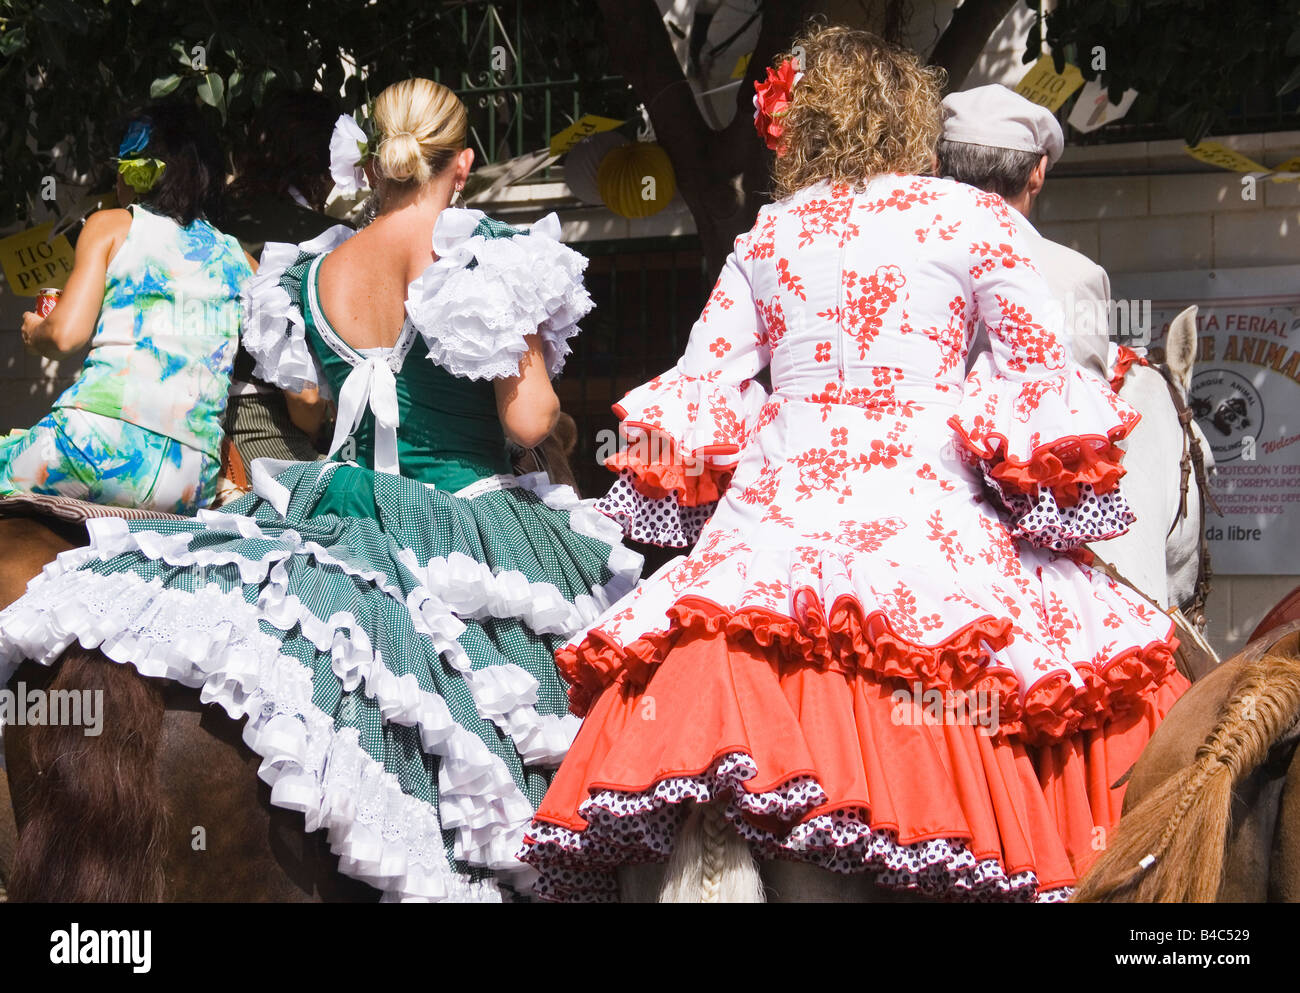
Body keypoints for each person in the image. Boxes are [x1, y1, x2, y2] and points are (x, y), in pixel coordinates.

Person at [520, 26, 1188, 902]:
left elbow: (701, 392)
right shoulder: (970, 217)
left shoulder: (770, 231)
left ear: (806, 129)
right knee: (1101, 699)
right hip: (928, 522)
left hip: (770, 529)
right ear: (911, 121)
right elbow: (1038, 383)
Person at [0, 77, 641, 902]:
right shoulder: (478, 249)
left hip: (326, 504)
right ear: (464, 163)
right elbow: (529, 421)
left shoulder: (314, 267)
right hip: (463, 516)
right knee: (584, 713)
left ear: (374, 164)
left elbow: (314, 408)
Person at [2, 104, 253, 513]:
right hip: (189, 477)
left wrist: (36, 332)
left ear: (134, 173)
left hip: (89, 448)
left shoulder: (111, 225)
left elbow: (65, 335)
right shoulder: (242, 261)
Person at [938, 85, 1112, 383]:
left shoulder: (896, 257)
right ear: (1038, 173)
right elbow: (1087, 414)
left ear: (937, 166)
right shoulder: (1077, 277)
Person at [220, 90, 346, 466]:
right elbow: (304, 397)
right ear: (325, 162)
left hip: (181, 424)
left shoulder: (203, 218)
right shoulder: (329, 239)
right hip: (267, 428)